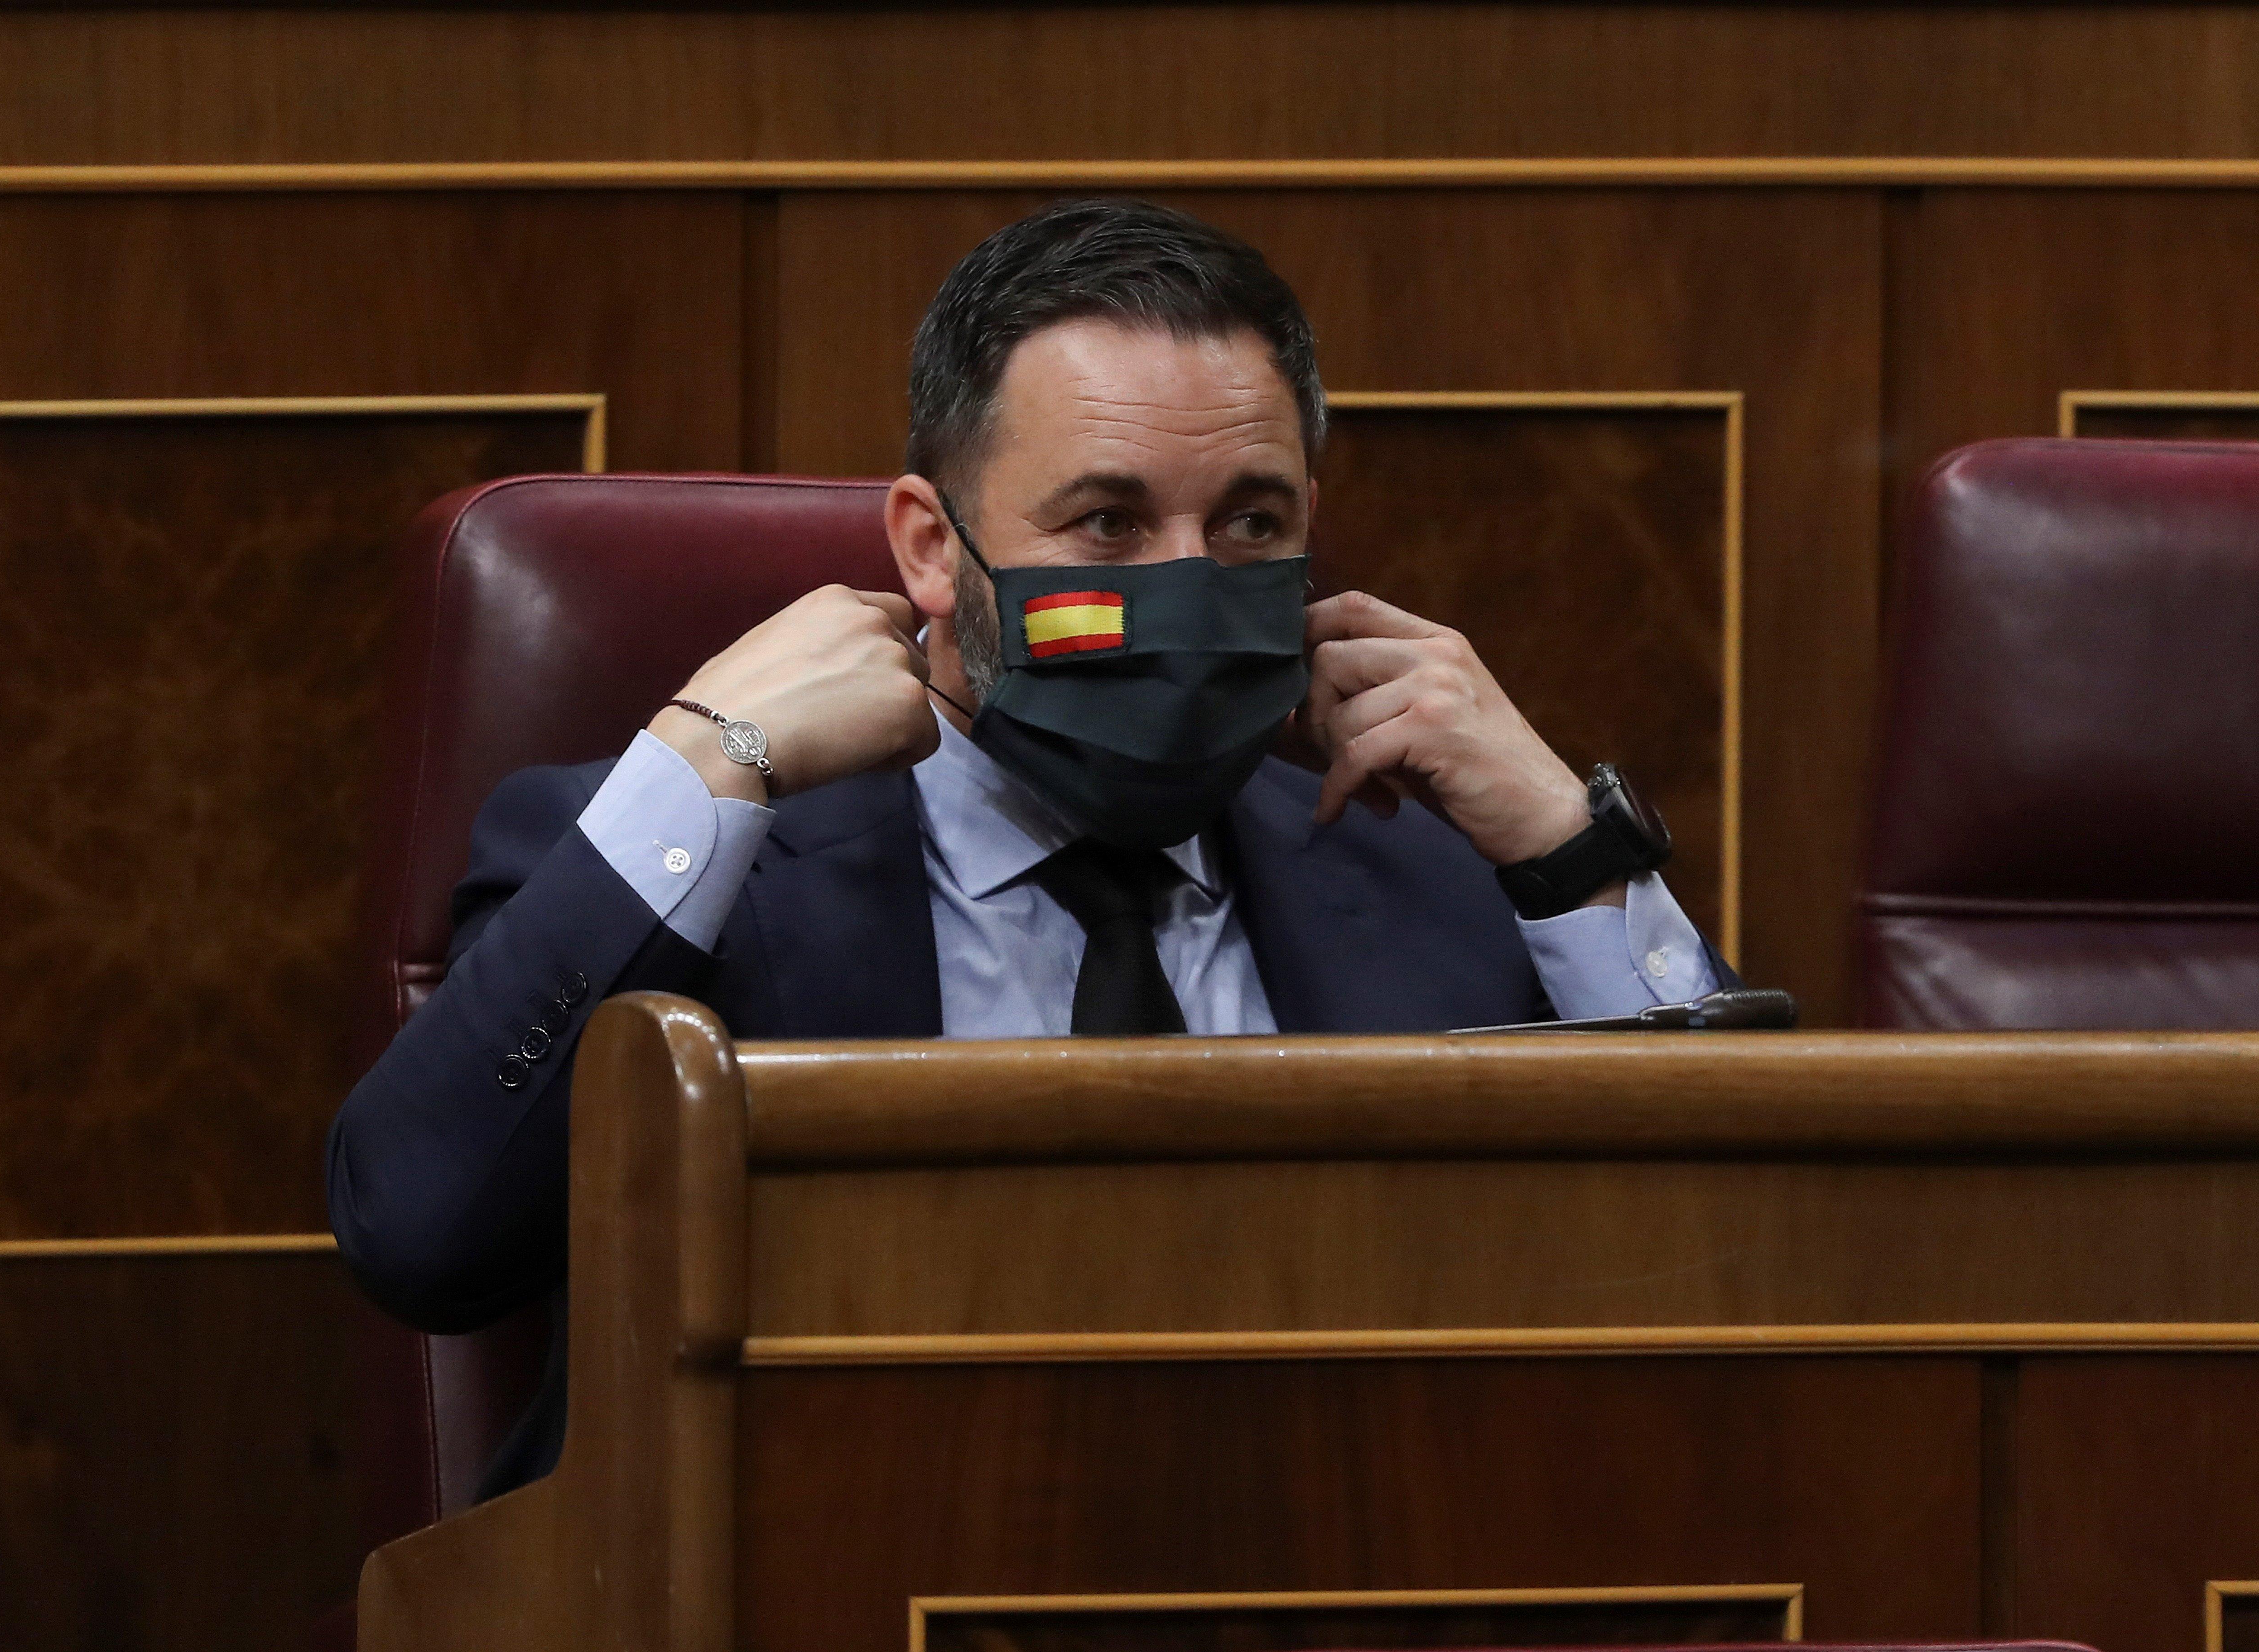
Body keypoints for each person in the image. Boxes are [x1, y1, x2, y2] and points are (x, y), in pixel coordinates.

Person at [327, 198, 1734, 1497]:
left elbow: (1750, 1294)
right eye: (1110, 524)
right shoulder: (689, 879)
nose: (1186, 586)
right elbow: (421, 1229)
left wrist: (1567, 850)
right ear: (933, 551)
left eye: (1251, 523)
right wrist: (701, 769)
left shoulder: (1433, 879)